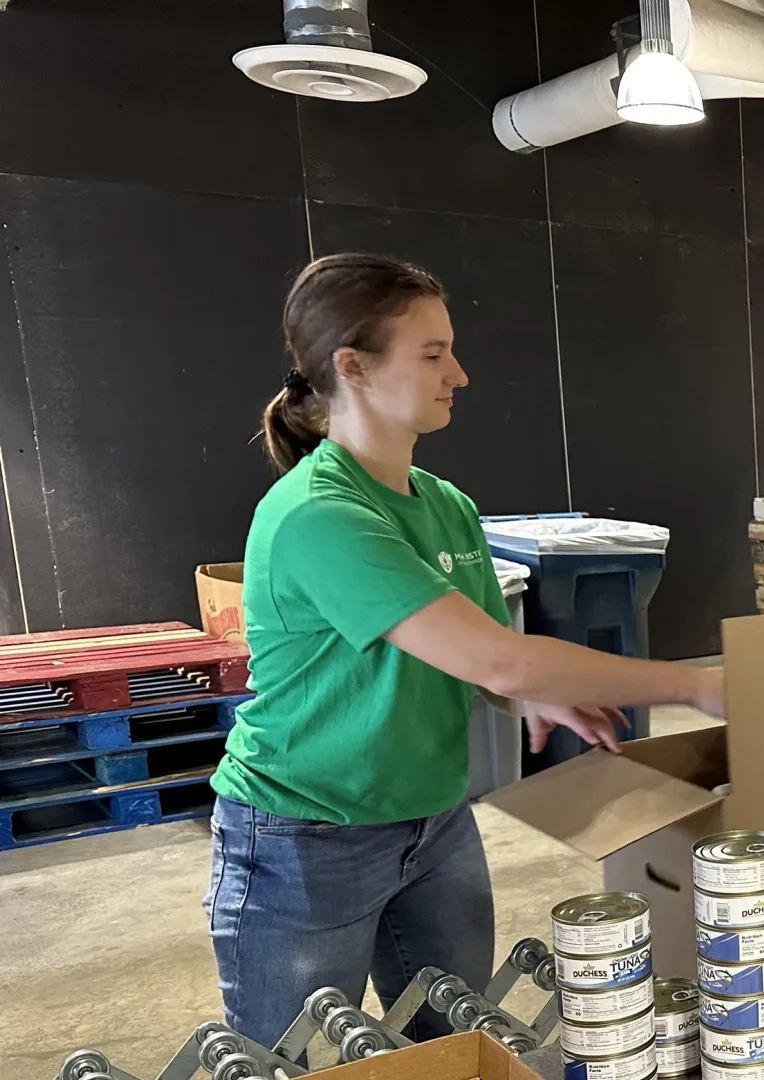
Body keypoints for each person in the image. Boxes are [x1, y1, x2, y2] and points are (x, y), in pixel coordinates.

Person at [206, 254, 726, 1048]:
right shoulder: (320, 514)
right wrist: (694, 686)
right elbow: (498, 660)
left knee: (451, 1044)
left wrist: (531, 693)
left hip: (435, 824)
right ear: (354, 367)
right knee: (291, 1059)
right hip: (305, 837)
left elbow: (490, 661)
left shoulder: (446, 506)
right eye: (432, 354)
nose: (460, 374)